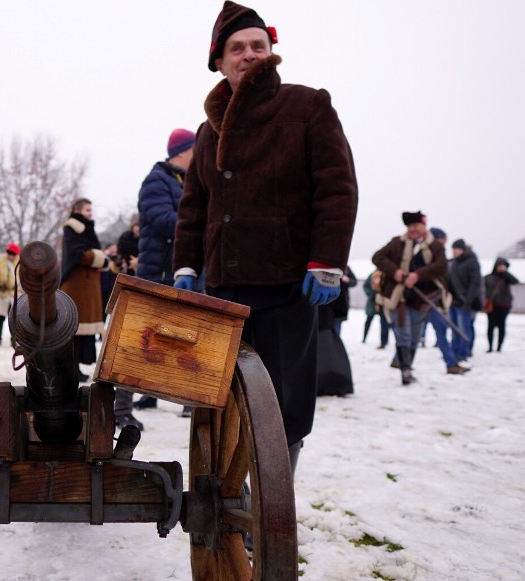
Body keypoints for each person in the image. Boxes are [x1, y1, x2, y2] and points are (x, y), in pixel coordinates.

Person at [172, 1, 358, 473]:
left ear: (272, 51)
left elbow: (337, 189)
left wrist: (326, 261)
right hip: (223, 290)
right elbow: (194, 207)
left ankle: (273, 498)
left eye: (259, 45)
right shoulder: (207, 130)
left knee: (282, 405)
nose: (249, 53)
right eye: (237, 47)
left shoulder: (306, 104)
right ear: (219, 60)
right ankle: (229, 490)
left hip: (284, 285)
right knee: (221, 399)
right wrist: (187, 265)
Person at [133, 128, 197, 415]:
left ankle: (186, 397)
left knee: (185, 335)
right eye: (196, 149)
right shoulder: (156, 181)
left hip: (180, 268)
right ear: (183, 151)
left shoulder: (187, 181)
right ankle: (146, 393)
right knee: (153, 337)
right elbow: (162, 220)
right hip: (159, 270)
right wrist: (198, 223)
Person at [373, 211, 447, 385]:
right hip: (400, 298)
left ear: (423, 226)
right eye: (410, 226)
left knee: (415, 337)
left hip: (422, 299)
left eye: (416, 225)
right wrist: (396, 272)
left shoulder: (435, 246)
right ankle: (405, 371)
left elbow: (441, 267)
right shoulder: (396, 243)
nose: (412, 229)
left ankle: (407, 367)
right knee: (403, 336)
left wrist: (418, 275)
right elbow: (378, 257)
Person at [59, 200, 121, 392]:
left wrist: (98, 256)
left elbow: (90, 253)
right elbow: (79, 254)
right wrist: (100, 257)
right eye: (87, 210)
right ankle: (72, 369)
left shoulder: (86, 228)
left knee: (83, 331)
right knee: (74, 329)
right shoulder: (72, 228)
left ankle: (77, 367)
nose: (90, 213)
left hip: (87, 285)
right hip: (77, 286)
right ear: (77, 211)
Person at [427, 228, 468, 375]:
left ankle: (451, 363)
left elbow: (447, 281)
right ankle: (400, 361)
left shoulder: (441, 257)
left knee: (441, 332)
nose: (444, 244)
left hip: (436, 302)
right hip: (424, 301)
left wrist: (456, 296)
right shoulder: (425, 253)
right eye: (443, 240)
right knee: (412, 336)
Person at [447, 238, 482, 362]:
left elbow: (475, 283)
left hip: (466, 302)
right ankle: (455, 351)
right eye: (453, 249)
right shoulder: (453, 263)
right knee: (455, 328)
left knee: (464, 329)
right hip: (454, 301)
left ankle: (464, 352)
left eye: (456, 249)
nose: (454, 252)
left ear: (462, 249)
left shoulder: (472, 262)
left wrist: (468, 300)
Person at [0, 242, 21, 346]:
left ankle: (14, 340)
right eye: (9, 252)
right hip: (1, 293)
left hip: (14, 293)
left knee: (15, 318)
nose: (10, 255)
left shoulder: (21, 262)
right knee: (0, 318)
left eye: (13, 253)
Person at [484, 257, 519, 353]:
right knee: (490, 327)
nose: (501, 267)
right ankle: (490, 347)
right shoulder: (488, 277)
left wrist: (505, 272)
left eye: (503, 266)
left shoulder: (506, 278)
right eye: (499, 265)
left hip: (504, 305)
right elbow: (484, 289)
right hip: (492, 306)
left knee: (501, 326)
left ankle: (499, 347)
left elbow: (515, 281)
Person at [362, 270, 390, 349]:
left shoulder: (386, 275)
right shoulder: (372, 275)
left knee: (384, 323)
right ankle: (364, 338)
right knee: (368, 321)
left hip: (383, 302)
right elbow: (365, 286)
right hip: (372, 302)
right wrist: (370, 294)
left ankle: (384, 342)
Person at [329, 266, 357, 335]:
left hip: (341, 302)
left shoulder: (346, 268)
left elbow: (354, 282)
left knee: (337, 326)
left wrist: (348, 280)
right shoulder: (329, 265)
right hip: (328, 302)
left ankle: (335, 343)